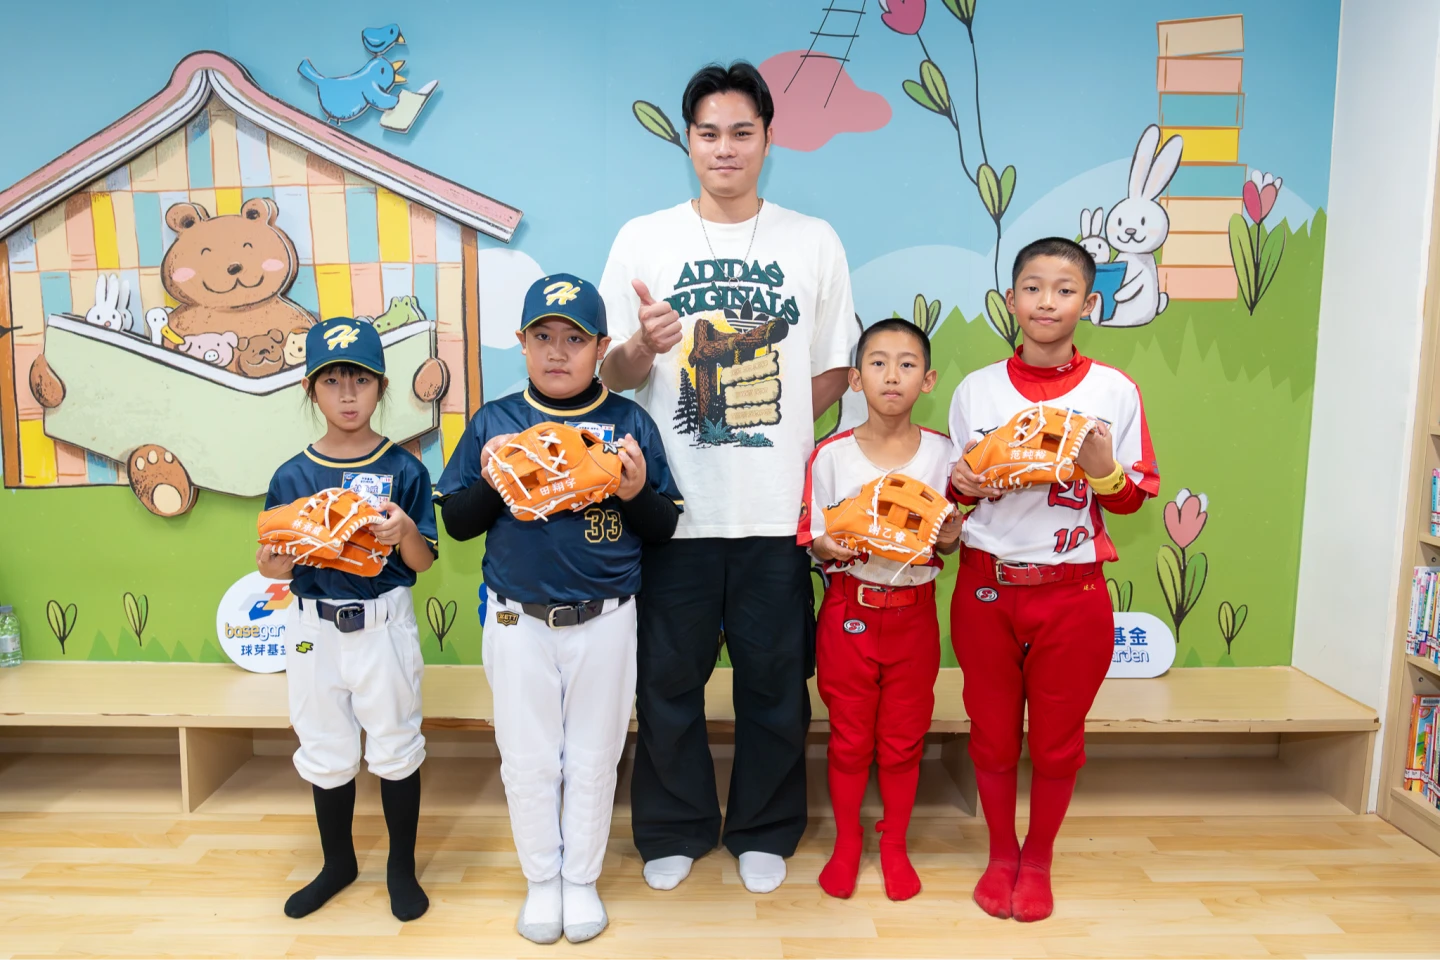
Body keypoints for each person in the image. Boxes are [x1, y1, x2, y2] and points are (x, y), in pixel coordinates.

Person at [598, 60, 859, 895]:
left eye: (742, 132)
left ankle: (764, 829)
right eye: (708, 133)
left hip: (774, 512)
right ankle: (675, 827)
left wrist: (773, 432)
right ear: (688, 141)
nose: (725, 148)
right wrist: (643, 348)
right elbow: (609, 375)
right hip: (671, 510)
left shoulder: (813, 239)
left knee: (775, 685)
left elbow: (833, 367)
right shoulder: (643, 238)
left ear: (768, 140)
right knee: (666, 683)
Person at [435, 274, 682, 944]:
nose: (557, 351)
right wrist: (495, 479)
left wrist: (633, 491)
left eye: (574, 339)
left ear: (601, 346)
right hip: (517, 619)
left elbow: (663, 527)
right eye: (543, 336)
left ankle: (581, 879)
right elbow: (457, 523)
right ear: (521, 342)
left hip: (606, 616)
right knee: (529, 757)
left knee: (596, 756)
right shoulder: (495, 420)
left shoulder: (628, 421)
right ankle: (543, 879)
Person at [948, 238, 1160, 922]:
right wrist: (964, 485)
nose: (1047, 301)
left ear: (1088, 303)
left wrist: (1102, 468)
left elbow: (1131, 500)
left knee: (1058, 740)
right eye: (1033, 287)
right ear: (1011, 300)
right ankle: (1000, 853)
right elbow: (955, 497)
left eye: (1065, 290)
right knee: (991, 733)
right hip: (986, 587)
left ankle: (1037, 859)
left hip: (1073, 591)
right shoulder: (976, 389)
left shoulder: (1114, 391)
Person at [257, 316, 437, 923]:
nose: (348, 394)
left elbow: (423, 562)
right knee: (325, 746)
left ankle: (400, 868)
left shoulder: (405, 469)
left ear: (382, 385)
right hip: (314, 628)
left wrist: (404, 530)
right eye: (331, 381)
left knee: (395, 744)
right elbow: (274, 563)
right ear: (310, 390)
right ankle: (338, 864)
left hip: (384, 624)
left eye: (360, 379)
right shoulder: (292, 474)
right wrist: (273, 562)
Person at [800, 319, 960, 901]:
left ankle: (894, 844)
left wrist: (950, 537)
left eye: (907, 364)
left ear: (928, 380)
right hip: (850, 611)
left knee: (903, 739)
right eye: (878, 363)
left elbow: (951, 539)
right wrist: (826, 546)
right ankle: (848, 844)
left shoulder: (945, 455)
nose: (892, 375)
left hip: (914, 615)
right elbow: (811, 537)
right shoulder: (830, 456)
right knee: (848, 738)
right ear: (855, 379)